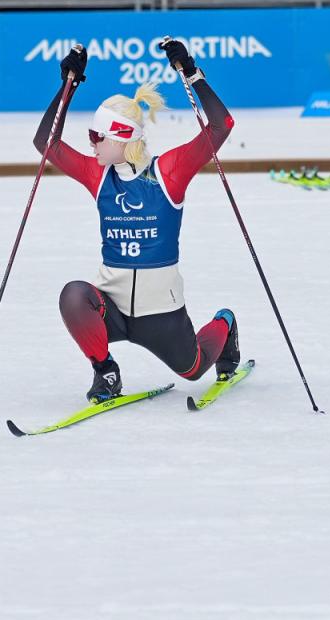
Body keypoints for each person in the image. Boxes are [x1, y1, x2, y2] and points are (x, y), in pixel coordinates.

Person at [33, 39, 241, 403]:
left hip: (161, 312)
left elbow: (221, 125)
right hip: (111, 307)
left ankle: (225, 324)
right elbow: (46, 143)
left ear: (122, 138)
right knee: (73, 295)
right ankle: (106, 371)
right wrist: (68, 86)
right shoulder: (98, 175)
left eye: (98, 136)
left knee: (193, 369)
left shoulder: (169, 172)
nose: (91, 143)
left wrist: (191, 73)